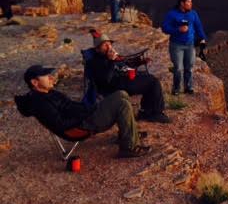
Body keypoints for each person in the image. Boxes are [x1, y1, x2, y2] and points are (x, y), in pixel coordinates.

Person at [14, 65, 151, 158]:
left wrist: (90, 108)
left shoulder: (49, 93)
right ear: (35, 83)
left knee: (121, 94)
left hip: (84, 117)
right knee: (121, 103)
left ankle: (127, 134)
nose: (51, 77)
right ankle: (128, 148)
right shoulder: (41, 103)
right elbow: (61, 124)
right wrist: (87, 114)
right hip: (78, 128)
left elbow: (71, 106)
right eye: (45, 75)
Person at [86, 29, 171, 123]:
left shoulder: (111, 56)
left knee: (148, 78)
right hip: (117, 86)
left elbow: (125, 63)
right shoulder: (95, 62)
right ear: (97, 49)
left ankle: (145, 112)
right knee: (153, 82)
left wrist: (140, 62)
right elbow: (105, 80)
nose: (109, 47)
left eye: (109, 44)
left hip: (125, 79)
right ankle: (156, 113)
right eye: (105, 45)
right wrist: (111, 61)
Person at [161, 0, 206, 95]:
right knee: (178, 68)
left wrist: (202, 38)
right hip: (176, 45)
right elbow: (165, 28)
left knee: (189, 67)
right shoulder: (172, 14)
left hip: (190, 45)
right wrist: (178, 29)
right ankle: (176, 89)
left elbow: (198, 27)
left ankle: (188, 87)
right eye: (188, 2)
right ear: (182, 3)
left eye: (191, 2)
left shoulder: (193, 13)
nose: (191, 4)